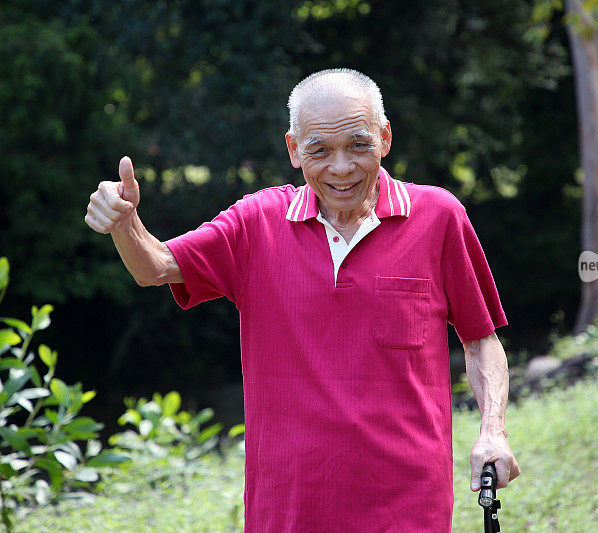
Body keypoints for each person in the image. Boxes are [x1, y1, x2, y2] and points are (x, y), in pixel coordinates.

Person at [85, 68, 520, 532]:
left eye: (358, 145)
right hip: (288, 511)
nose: (341, 168)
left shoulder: (438, 217)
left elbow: (481, 339)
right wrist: (125, 225)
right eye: (319, 150)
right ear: (294, 150)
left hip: (409, 507)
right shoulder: (257, 224)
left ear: (385, 137)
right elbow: (155, 266)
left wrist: (493, 431)